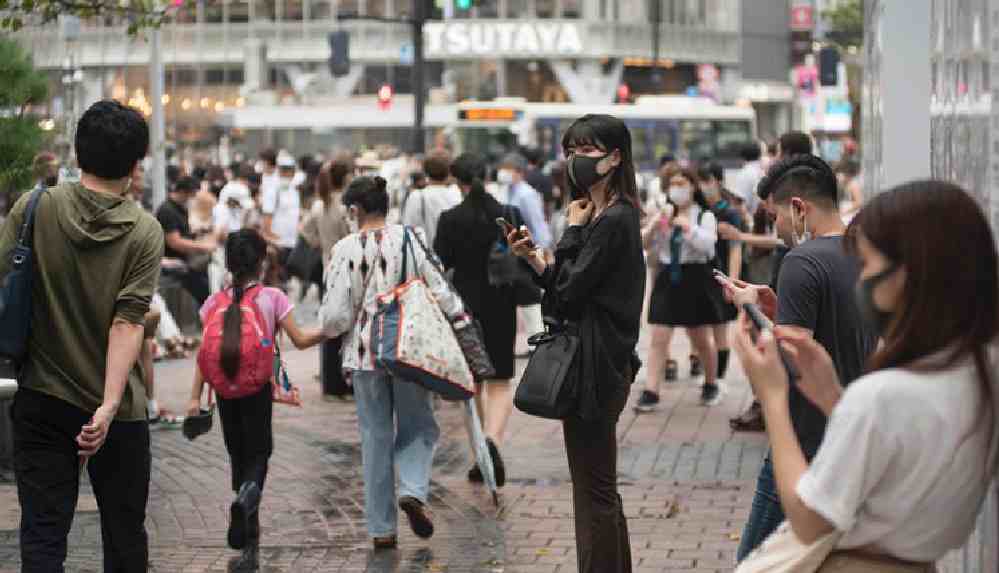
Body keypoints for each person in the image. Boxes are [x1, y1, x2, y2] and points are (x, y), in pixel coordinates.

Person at [733, 180, 999, 572]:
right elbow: (899, 452)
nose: (860, 282)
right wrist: (832, 398)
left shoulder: (885, 393)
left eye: (868, 265)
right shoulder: (979, 372)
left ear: (909, 274)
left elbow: (808, 520)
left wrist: (772, 397)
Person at [2, 100, 164, 571]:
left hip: (42, 397)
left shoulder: (35, 208)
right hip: (119, 411)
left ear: (77, 151)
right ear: (136, 165)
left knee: (43, 536)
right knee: (124, 536)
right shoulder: (143, 231)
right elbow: (128, 322)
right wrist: (109, 405)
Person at [721, 153, 878, 561]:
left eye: (775, 217)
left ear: (798, 207)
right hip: (847, 428)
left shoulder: (801, 261)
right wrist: (776, 308)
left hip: (804, 436)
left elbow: (791, 359)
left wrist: (751, 315)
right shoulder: (863, 252)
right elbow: (828, 332)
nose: (778, 228)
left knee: (754, 561)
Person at [509, 114, 645, 573]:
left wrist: (570, 231)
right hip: (600, 361)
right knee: (598, 488)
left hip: (596, 367)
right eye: (570, 151)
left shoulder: (613, 220)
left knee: (593, 493)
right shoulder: (605, 216)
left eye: (585, 151)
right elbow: (570, 290)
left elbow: (567, 293)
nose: (575, 162)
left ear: (614, 158)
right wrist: (534, 258)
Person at [319, 176, 464, 549]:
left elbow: (334, 318)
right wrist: (460, 321)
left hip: (365, 357)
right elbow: (438, 287)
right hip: (408, 349)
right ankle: (413, 488)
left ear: (354, 210)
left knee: (374, 437)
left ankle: (382, 529)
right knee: (419, 425)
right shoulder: (410, 239)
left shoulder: (344, 249)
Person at [187, 229, 321, 571]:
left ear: (229, 264)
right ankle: (247, 498)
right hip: (256, 387)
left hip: (223, 389)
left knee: (238, 452)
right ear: (261, 262)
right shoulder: (272, 297)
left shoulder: (214, 303)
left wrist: (194, 399)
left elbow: (204, 353)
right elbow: (302, 339)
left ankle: (248, 519)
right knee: (260, 451)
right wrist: (334, 328)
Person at [434, 153, 519, 487]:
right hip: (502, 300)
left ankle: (481, 453)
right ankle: (493, 442)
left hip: (466, 304)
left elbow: (441, 263)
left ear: (458, 181)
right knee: (500, 380)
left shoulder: (450, 218)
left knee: (475, 381)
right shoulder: (507, 213)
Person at [725, 131, 815, 432]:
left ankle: (770, 405)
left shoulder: (804, 256)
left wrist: (741, 237)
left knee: (773, 337)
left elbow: (780, 238)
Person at [636, 168, 726, 410]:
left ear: (692, 187)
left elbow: (708, 246)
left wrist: (687, 228)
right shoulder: (662, 212)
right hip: (668, 276)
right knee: (659, 336)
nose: (677, 188)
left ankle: (711, 383)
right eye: (672, 184)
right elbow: (643, 244)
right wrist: (654, 225)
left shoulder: (704, 215)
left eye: (681, 183)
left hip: (695, 276)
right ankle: (651, 390)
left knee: (699, 337)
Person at [698, 161, 746, 389]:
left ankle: (718, 379)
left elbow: (736, 249)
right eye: (700, 181)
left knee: (719, 329)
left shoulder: (728, 212)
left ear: (718, 182)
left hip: (721, 275)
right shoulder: (699, 210)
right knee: (701, 328)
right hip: (701, 275)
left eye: (706, 181)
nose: (703, 186)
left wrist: (731, 282)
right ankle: (709, 374)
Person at [157, 175, 217, 306]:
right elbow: (175, 242)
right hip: (173, 262)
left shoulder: (180, 208)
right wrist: (204, 247)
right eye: (192, 195)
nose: (193, 199)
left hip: (186, 259)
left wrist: (199, 231)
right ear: (184, 192)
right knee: (204, 290)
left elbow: (183, 232)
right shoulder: (167, 211)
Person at [401, 150, 462, 246]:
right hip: (451, 257)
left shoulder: (417, 196)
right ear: (450, 171)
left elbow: (407, 230)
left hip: (424, 257)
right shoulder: (457, 194)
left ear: (425, 172)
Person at [260, 152, 302, 286]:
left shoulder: (294, 191)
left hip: (291, 243)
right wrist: (273, 241)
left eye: (289, 170)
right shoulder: (273, 190)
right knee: (275, 281)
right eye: (284, 169)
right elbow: (267, 218)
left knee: (285, 283)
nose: (287, 173)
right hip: (278, 245)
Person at [731, 141, 765, 217]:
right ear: (759, 154)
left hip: (751, 219)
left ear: (742, 156)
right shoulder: (763, 171)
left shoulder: (744, 173)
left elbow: (739, 203)